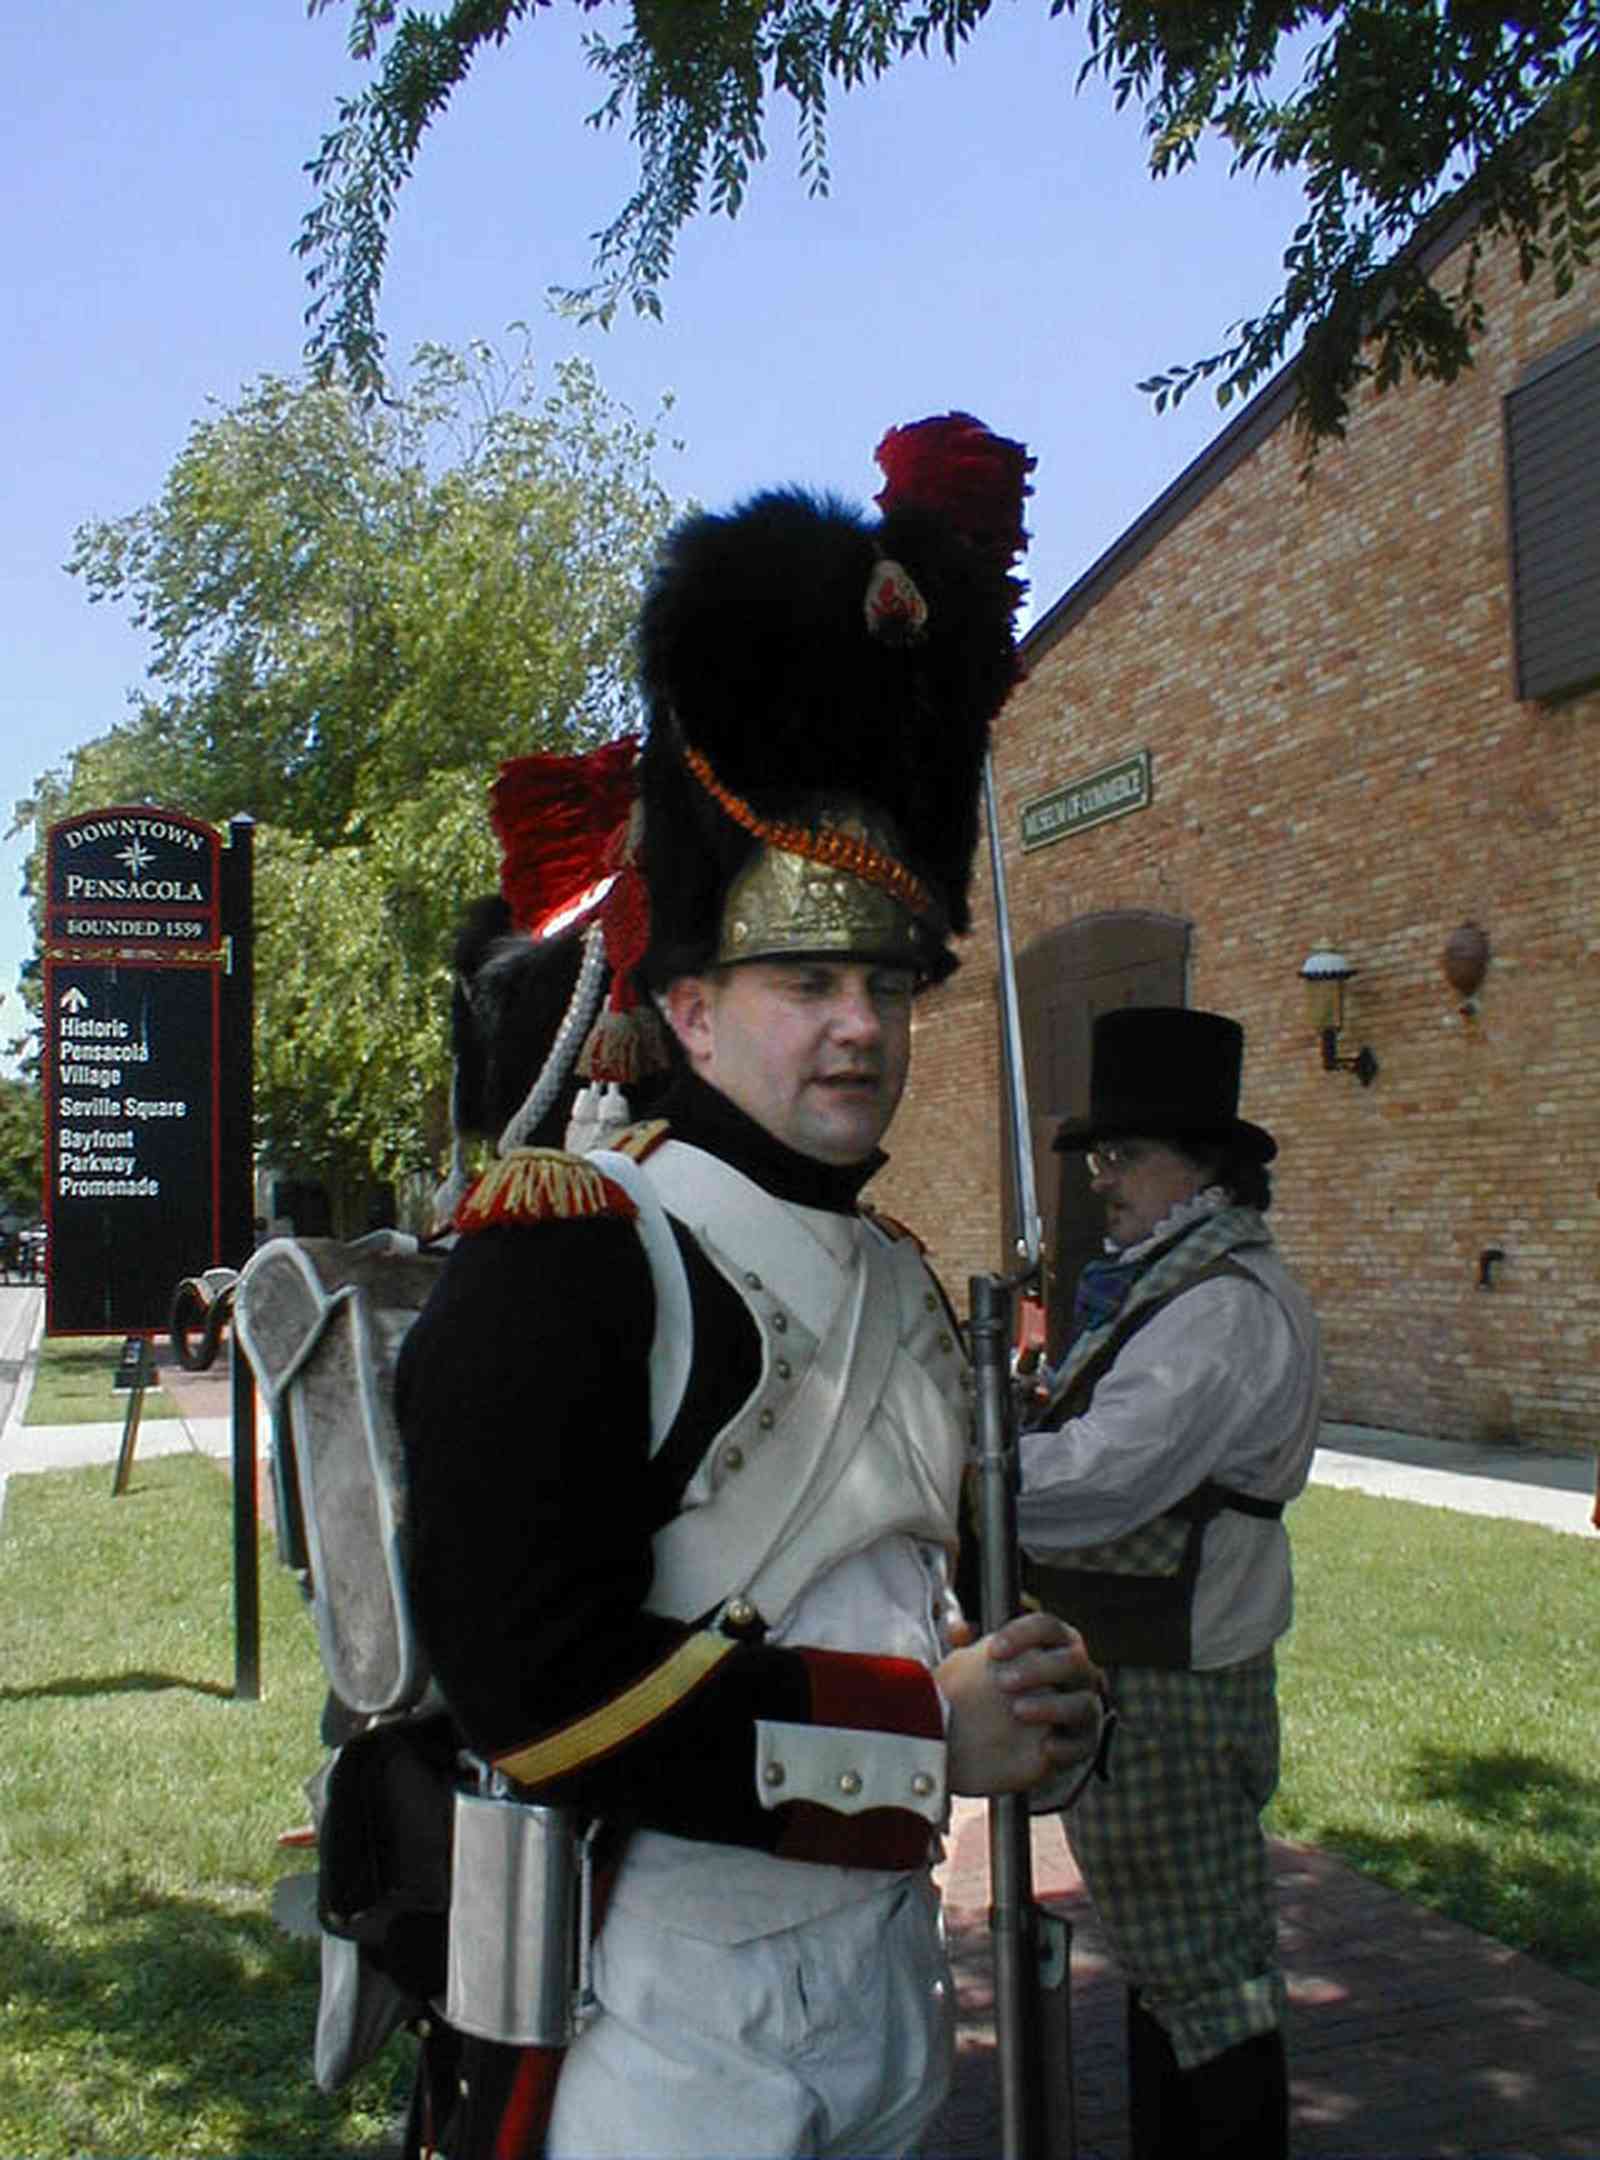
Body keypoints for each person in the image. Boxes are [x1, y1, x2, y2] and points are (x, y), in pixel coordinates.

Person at [393, 419, 1103, 2159]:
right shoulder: (576, 1251)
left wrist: (999, 1686)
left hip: (880, 2002)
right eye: (801, 975)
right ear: (691, 1008)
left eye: (885, 978)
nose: (860, 1022)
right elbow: (532, 1689)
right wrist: (920, 1738)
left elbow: (861, 1598)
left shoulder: (895, 1278)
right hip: (660, 2032)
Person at [1017, 1005, 1322, 2160]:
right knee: (1175, 1971)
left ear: (1202, 1167)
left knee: (1205, 1985)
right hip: (1152, 1666)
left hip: (1174, 1681)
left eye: (1125, 1155)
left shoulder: (1218, 1307)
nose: (1106, 1180)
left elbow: (1104, 1479)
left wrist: (968, 1474)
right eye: (1101, 1156)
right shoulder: (1179, 1284)